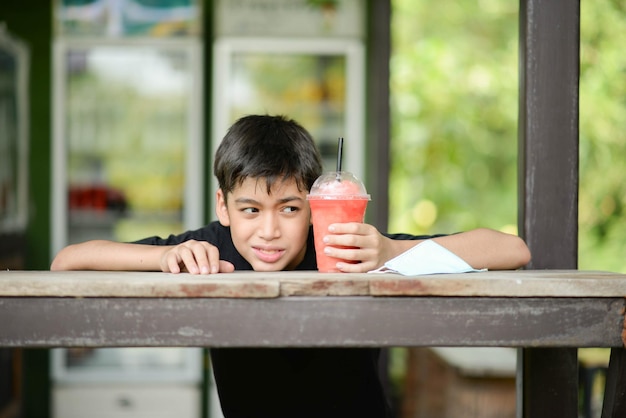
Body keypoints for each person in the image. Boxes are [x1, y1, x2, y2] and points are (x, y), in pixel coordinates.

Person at [51, 114, 531, 418]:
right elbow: (67, 264)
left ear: (315, 205)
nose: (268, 232)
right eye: (250, 210)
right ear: (224, 207)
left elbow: (512, 251)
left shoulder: (348, 245)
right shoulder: (211, 248)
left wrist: (390, 253)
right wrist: (162, 257)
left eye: (289, 208)